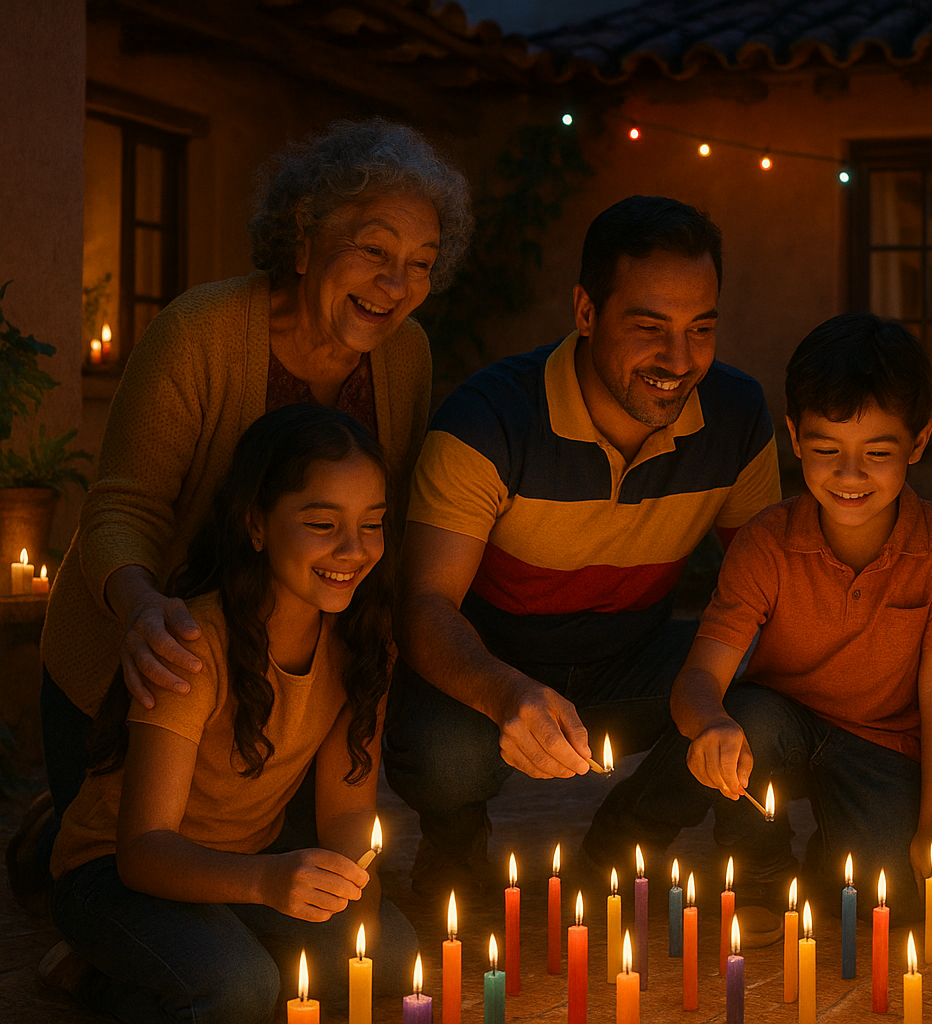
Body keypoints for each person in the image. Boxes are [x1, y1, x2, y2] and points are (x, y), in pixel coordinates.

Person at [15, 118, 469, 912]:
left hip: (276, 700)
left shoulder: (407, 356)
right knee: (122, 880)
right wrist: (143, 611)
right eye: (373, 249)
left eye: (421, 265)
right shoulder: (201, 331)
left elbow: (377, 521)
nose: (395, 284)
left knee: (266, 889)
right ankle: (52, 840)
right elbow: (123, 503)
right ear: (303, 235)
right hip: (145, 669)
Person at [385, 195, 780, 897]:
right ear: (586, 312)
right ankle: (454, 855)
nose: (679, 359)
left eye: (702, 327)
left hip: (636, 664)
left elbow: (770, 587)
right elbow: (423, 609)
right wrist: (509, 695)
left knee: (770, 679)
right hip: (494, 670)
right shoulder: (488, 420)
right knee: (437, 751)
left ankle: (640, 832)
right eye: (649, 327)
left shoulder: (737, 415)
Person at [41, 405, 418, 1023]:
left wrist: (359, 902)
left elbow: (348, 810)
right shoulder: (193, 644)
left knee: (388, 957)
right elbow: (143, 851)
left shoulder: (362, 642)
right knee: (240, 988)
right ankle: (88, 974)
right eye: (323, 523)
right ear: (256, 524)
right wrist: (270, 883)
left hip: (246, 863)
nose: (353, 549)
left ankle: (228, 950)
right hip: (117, 874)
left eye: (372, 523)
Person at [608, 313, 932, 939]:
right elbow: (698, 676)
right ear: (795, 439)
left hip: (883, 745)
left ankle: (831, 866)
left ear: (918, 444)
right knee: (747, 721)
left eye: (878, 454)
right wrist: (714, 722)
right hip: (777, 727)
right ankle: (751, 868)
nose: (850, 475)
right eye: (827, 450)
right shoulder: (766, 543)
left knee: (889, 905)